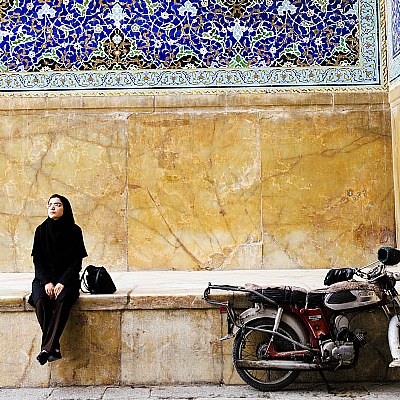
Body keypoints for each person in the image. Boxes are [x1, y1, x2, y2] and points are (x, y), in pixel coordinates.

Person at [28, 194, 87, 365]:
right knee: (40, 300)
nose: (52, 208)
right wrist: (47, 282)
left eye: (57, 204)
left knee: (63, 301)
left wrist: (61, 282)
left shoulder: (75, 231)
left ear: (65, 208)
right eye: (50, 205)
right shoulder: (40, 230)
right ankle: (53, 348)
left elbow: (76, 262)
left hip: (67, 280)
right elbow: (38, 261)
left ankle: (47, 348)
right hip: (43, 279)